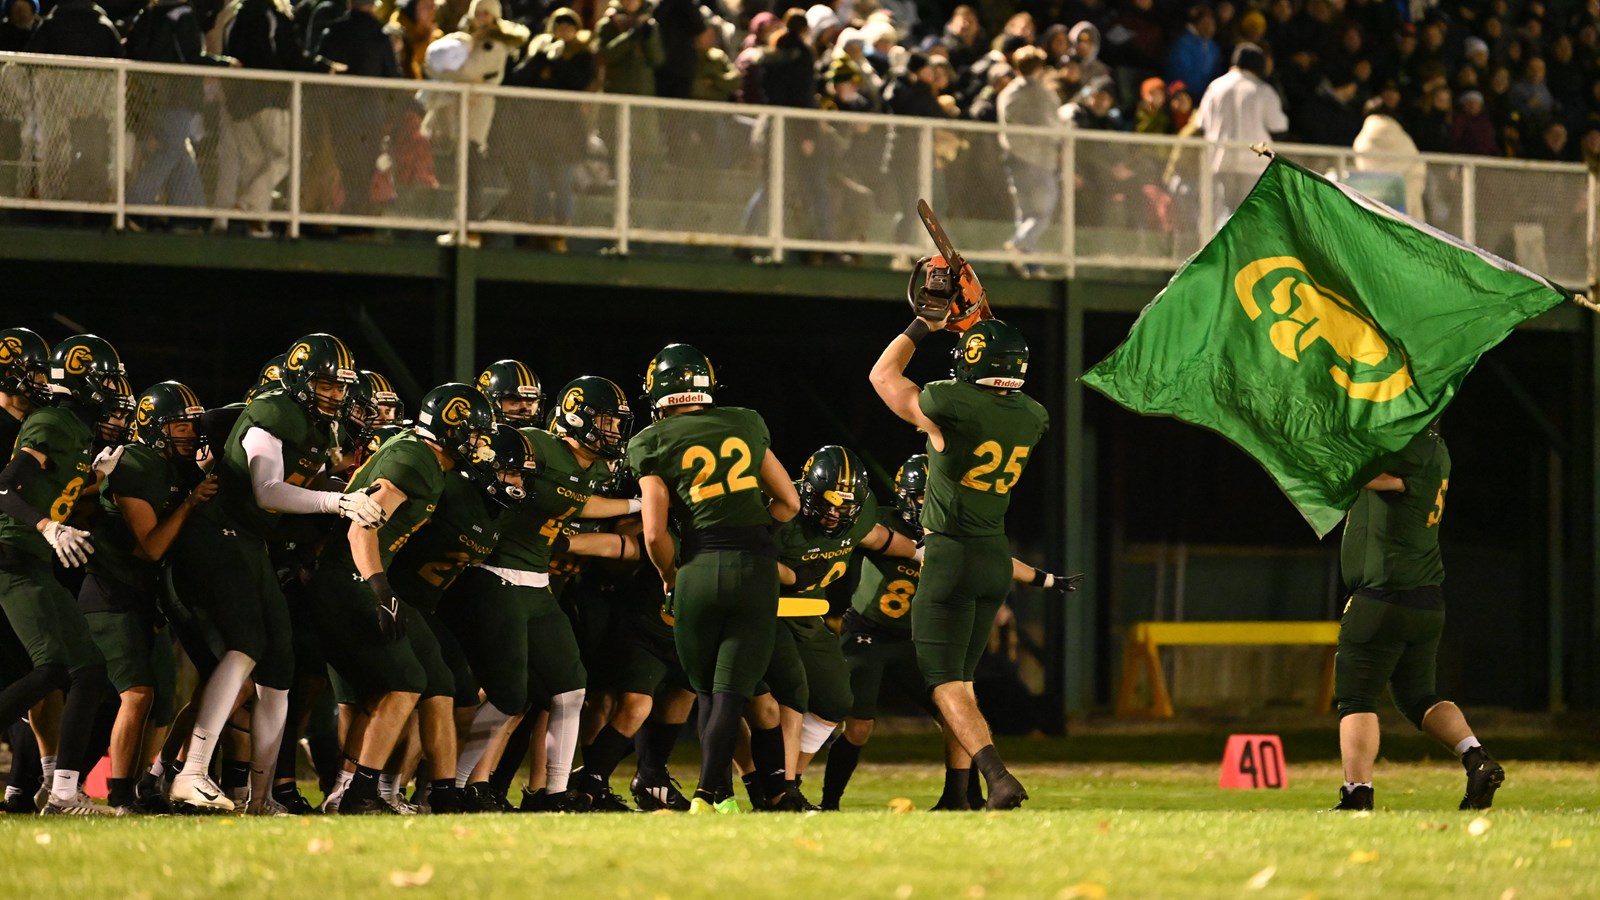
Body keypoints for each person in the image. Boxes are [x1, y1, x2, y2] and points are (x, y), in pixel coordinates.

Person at [165, 333, 386, 813]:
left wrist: (345, 485)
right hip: (218, 534)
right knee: (245, 644)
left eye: (340, 386)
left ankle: (261, 797)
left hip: (250, 542)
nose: (336, 395)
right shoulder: (274, 410)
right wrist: (339, 501)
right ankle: (191, 771)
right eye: (326, 384)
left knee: (280, 666)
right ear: (302, 381)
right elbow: (267, 489)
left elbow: (305, 481)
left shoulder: (317, 425)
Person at [869, 317, 1055, 810]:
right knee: (963, 683)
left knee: (944, 683)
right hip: (995, 554)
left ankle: (997, 778)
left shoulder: (952, 403)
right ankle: (958, 793)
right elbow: (995, 392)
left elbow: (883, 377)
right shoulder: (1032, 415)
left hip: (951, 552)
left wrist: (923, 325)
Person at [627, 343, 800, 814]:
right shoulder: (744, 422)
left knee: (705, 689)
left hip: (698, 567)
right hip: (754, 565)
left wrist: (670, 576)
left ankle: (716, 793)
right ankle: (711, 793)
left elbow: (655, 531)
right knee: (730, 691)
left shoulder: (650, 442)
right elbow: (788, 503)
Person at [311, 383, 494, 814]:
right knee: (404, 680)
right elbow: (362, 526)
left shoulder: (426, 457)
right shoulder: (414, 460)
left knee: (438, 677)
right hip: (350, 578)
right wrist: (380, 589)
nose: (480, 444)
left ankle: (444, 791)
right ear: (451, 431)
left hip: (362, 577)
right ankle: (360, 792)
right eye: (474, 434)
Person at [1331, 424, 1504, 812]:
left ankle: (1357, 793)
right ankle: (1476, 758)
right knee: (1418, 698)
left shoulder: (1409, 451)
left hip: (1382, 597)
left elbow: (1358, 470)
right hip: (1426, 601)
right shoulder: (1435, 450)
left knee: (1356, 698)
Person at [0, 335, 132, 814]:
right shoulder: (53, 421)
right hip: (11, 555)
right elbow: (6, 488)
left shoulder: (74, 428)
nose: (117, 392)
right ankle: (55, 790)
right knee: (55, 666)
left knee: (89, 670)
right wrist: (47, 525)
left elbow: (60, 487)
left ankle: (63, 791)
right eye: (108, 381)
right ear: (84, 384)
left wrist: (96, 479)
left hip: (32, 560)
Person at [78, 382, 216, 814]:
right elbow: (150, 547)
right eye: (179, 425)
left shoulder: (173, 466)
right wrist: (191, 502)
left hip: (143, 596)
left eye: (191, 425)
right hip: (109, 589)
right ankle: (117, 794)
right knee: (135, 695)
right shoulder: (135, 463)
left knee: (157, 702)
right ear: (154, 428)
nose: (189, 434)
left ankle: (139, 789)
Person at [1191, 42, 1287, 215]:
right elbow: (1279, 128)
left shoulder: (1215, 87)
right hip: (1254, 164)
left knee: (1218, 220)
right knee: (1250, 219)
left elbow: (1201, 124)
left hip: (1219, 162)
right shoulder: (1262, 90)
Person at [998, 46, 1060, 277]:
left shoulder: (1008, 93)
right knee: (1043, 212)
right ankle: (1017, 244)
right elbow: (1052, 125)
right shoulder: (1041, 94)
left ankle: (1030, 264)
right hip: (1038, 161)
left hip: (1014, 158)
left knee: (1025, 214)